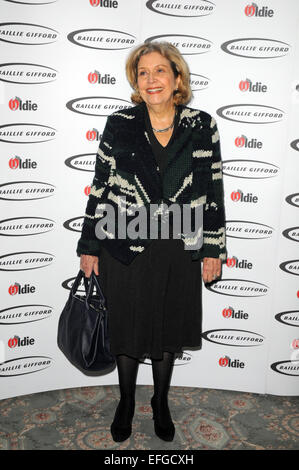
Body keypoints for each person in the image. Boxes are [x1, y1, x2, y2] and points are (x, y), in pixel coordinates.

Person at [77, 41, 227, 443]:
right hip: (123, 245)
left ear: (177, 78)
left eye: (159, 71)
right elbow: (101, 186)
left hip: (177, 247)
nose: (151, 80)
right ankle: (126, 400)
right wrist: (88, 245)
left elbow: (212, 190)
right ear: (136, 81)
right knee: (126, 327)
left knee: (166, 327)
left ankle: (160, 400)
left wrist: (213, 248)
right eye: (143, 73)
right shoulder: (120, 123)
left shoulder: (201, 124)